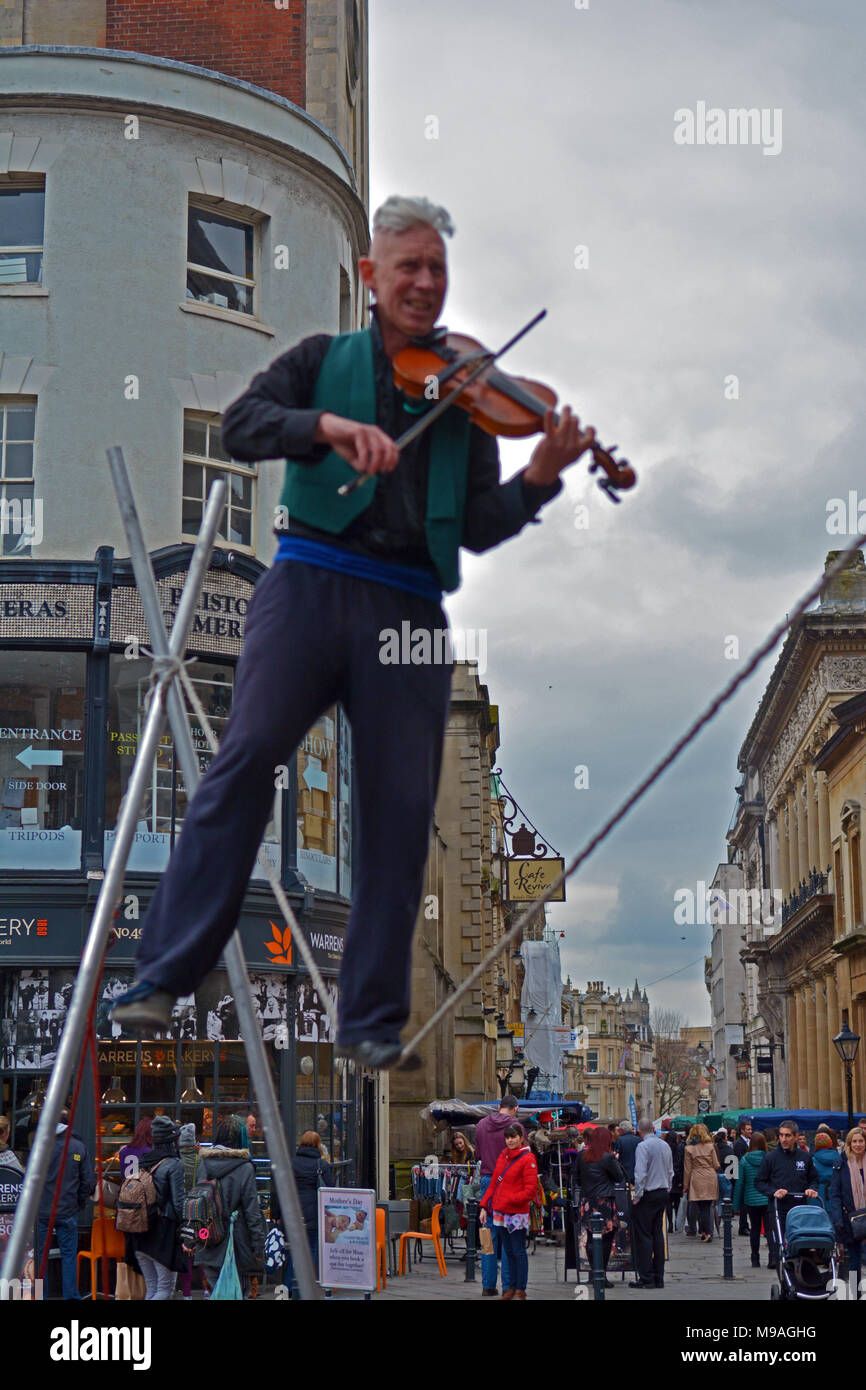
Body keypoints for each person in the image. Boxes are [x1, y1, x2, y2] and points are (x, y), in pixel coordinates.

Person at [109, 195, 597, 1069]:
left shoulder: (464, 396)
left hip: (408, 604)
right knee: (247, 752)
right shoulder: (319, 361)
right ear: (372, 277)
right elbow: (242, 424)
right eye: (406, 265)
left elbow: (478, 523)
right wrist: (327, 427)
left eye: (436, 269)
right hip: (310, 581)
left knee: (403, 809)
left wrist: (543, 477)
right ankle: (162, 974)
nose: (422, 281)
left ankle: (370, 1021)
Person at [195, 1115, 266, 1298]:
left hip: (208, 1241)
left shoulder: (204, 1164)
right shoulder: (245, 1168)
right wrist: (258, 1247)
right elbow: (252, 1212)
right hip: (238, 1246)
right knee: (239, 1293)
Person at [36, 1108, 95, 1301]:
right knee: (69, 1254)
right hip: (68, 1209)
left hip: (44, 1210)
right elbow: (87, 1181)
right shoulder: (77, 1146)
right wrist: (79, 1202)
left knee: (41, 1256)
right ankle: (71, 1295)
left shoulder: (41, 1145)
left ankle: (40, 1295)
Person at [270, 1129, 334, 1299]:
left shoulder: (290, 1163)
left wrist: (276, 1213)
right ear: (318, 1145)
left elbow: (278, 1189)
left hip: (291, 1213)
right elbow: (331, 1190)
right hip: (314, 1214)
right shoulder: (322, 1165)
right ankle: (298, 1287)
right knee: (310, 1249)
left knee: (293, 1250)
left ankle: (288, 1287)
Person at [478, 1122, 538, 1301]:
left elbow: (530, 1190)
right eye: (507, 1137)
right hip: (500, 1212)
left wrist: (507, 1199)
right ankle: (510, 1288)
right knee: (507, 1251)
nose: (510, 1140)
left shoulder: (528, 1159)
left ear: (521, 1137)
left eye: (513, 1137)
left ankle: (520, 1288)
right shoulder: (503, 1156)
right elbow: (495, 1181)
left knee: (518, 1250)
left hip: (516, 1213)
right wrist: (483, 1205)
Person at [129, 1115, 185, 1300]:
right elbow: (178, 1204)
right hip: (163, 1233)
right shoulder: (174, 1164)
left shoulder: (144, 1160)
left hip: (139, 1231)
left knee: (152, 1288)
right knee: (164, 1289)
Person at [754, 1120, 818, 1270]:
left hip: (799, 1207)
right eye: (781, 1135)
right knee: (779, 1243)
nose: (784, 1139)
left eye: (788, 1135)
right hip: (778, 1207)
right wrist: (773, 1192)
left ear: (796, 1136)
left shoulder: (805, 1157)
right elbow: (759, 1182)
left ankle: (802, 1272)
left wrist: (812, 1189)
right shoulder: (770, 1157)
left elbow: (813, 1179)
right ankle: (781, 1271)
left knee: (801, 1243)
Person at [474, 1094, 520, 1296]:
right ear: (515, 1108)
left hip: (487, 1181)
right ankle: (508, 1285)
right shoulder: (516, 1128)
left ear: (499, 1106)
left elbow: (477, 1156)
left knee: (488, 1235)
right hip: (507, 1181)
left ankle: (488, 1285)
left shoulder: (481, 1124)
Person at [574, 1126, 625, 1287]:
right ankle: (601, 1275)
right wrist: (615, 1160)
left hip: (588, 1201)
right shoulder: (608, 1158)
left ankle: (595, 1273)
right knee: (606, 1238)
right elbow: (618, 1177)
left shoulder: (582, 1156)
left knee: (590, 1236)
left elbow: (576, 1178)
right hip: (604, 1201)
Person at [630, 1117, 673, 1290]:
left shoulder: (643, 1146)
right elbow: (671, 1172)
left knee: (644, 1236)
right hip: (662, 1192)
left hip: (648, 1193)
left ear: (639, 1130)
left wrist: (637, 1196)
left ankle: (646, 1277)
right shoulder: (665, 1145)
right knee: (657, 1234)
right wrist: (667, 1189)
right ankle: (659, 1277)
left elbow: (640, 1174)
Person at [829, 1126, 866, 1300]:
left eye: (861, 1141)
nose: (858, 1144)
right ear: (849, 1144)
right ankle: (854, 1294)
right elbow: (834, 1193)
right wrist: (838, 1219)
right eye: (854, 1141)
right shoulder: (842, 1163)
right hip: (851, 1219)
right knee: (854, 1262)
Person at [732, 1131, 771, 1267]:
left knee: (754, 1228)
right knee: (769, 1229)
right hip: (767, 1198)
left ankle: (755, 1258)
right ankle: (772, 1258)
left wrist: (736, 1205)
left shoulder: (744, 1160)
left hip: (751, 1199)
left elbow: (739, 1183)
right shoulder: (769, 1158)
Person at [683, 1123, 719, 1242]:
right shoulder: (710, 1146)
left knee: (700, 1206)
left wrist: (685, 1185)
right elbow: (716, 1164)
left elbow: (687, 1169)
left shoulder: (689, 1149)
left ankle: (705, 1232)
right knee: (707, 1206)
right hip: (710, 1176)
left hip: (697, 1177)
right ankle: (707, 1232)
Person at [177, 1123, 199, 1300]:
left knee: (186, 1255)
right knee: (203, 1253)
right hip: (200, 1213)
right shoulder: (201, 1160)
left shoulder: (177, 1162)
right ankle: (207, 1291)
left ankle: (186, 1293)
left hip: (182, 1213)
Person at [732, 1119, 752, 1236]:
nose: (751, 1131)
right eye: (748, 1129)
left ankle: (745, 1226)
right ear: (742, 1130)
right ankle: (743, 1226)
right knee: (744, 1205)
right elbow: (739, 1161)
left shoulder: (748, 1142)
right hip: (742, 1176)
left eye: (751, 1129)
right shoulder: (739, 1144)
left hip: (746, 1177)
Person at [811, 1131, 841, 1209]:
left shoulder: (812, 1160)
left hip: (817, 1196)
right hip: (836, 1194)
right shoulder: (840, 1159)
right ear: (830, 1143)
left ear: (816, 1145)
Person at [714, 1128, 735, 1234]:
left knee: (717, 1200)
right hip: (727, 1177)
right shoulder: (729, 1150)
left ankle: (717, 1216)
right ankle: (725, 1219)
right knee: (725, 1200)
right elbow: (733, 1169)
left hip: (715, 1176)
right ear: (725, 1138)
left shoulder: (714, 1148)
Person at [663, 1131, 684, 1228]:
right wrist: (680, 1180)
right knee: (677, 1202)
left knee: (668, 1203)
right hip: (676, 1178)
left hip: (666, 1178)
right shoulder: (678, 1148)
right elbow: (678, 1164)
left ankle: (670, 1224)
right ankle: (676, 1223)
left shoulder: (664, 1148)